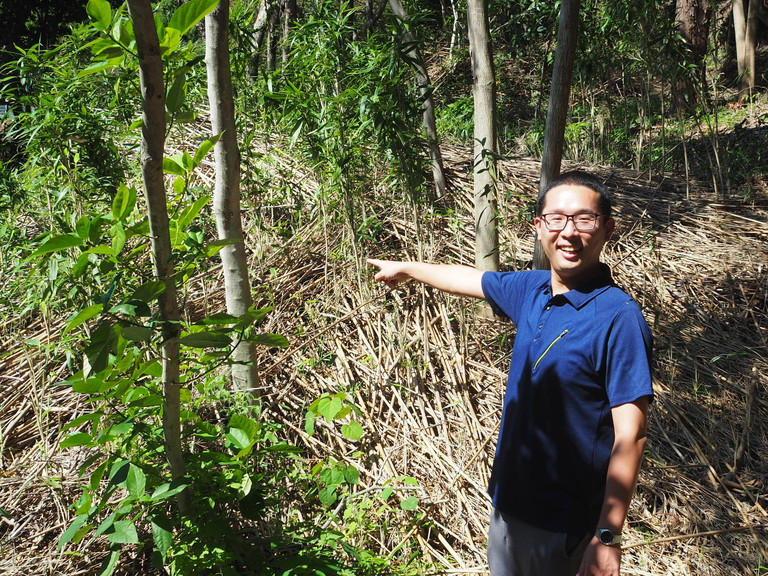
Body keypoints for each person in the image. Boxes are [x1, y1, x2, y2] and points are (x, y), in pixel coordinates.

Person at [367, 170, 653, 576]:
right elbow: (471, 279)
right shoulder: (533, 290)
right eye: (556, 218)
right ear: (539, 228)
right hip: (509, 505)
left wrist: (607, 535)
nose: (568, 232)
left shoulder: (618, 318)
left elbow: (632, 433)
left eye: (584, 219)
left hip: (563, 522)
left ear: (607, 229)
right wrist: (408, 268)